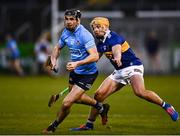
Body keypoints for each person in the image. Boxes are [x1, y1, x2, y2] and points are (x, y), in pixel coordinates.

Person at [49, 17, 179, 131]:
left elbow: (116, 49)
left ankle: (166, 106)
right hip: (119, 72)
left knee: (140, 92)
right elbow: (94, 58)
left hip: (133, 67)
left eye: (98, 27)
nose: (95, 30)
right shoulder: (100, 43)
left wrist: (117, 57)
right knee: (98, 95)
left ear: (105, 27)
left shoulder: (114, 37)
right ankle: (89, 124)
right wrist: (80, 67)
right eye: (94, 27)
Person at [42, 10, 109, 134]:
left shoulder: (85, 35)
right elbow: (57, 47)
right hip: (75, 72)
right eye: (66, 19)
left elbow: (94, 56)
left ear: (78, 20)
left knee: (67, 102)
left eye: (72, 19)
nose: (68, 22)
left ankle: (53, 126)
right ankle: (100, 107)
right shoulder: (65, 32)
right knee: (76, 99)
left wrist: (77, 63)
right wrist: (53, 60)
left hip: (88, 74)